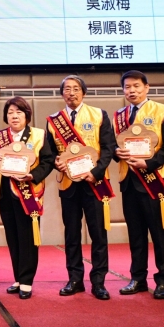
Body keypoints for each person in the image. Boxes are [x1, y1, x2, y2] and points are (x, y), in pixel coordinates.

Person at [45, 75, 116, 301]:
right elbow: (49, 153)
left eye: (76, 89)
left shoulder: (98, 115)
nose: (71, 93)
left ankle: (99, 282)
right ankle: (75, 279)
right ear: (62, 94)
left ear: (83, 92)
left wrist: (95, 172)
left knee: (98, 234)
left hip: (94, 183)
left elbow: (108, 148)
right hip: (68, 184)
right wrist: (56, 162)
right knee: (72, 234)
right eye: (67, 89)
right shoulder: (54, 121)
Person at [113, 70, 164, 299]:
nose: (131, 91)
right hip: (129, 182)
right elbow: (114, 146)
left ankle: (163, 280)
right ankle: (137, 278)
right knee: (136, 234)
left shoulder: (162, 110)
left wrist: (149, 163)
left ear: (146, 87)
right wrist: (116, 152)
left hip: (153, 181)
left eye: (136, 86)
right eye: (127, 87)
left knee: (158, 233)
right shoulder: (119, 116)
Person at [0, 97, 55, 299]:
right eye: (10, 113)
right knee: (12, 237)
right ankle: (18, 278)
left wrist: (32, 176)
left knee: (27, 237)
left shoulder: (38, 135)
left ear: (27, 115)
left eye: (19, 112)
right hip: (5, 193)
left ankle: (27, 280)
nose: (14, 116)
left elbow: (48, 161)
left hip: (28, 192)